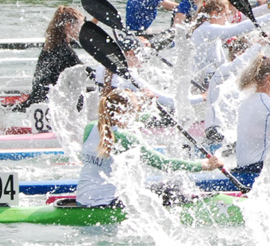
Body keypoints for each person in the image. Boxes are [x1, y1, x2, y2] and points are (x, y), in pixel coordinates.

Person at [75, 87, 219, 207]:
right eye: (135, 110)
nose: (137, 114)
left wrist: (146, 106)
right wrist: (203, 165)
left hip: (82, 199)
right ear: (126, 112)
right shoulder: (124, 138)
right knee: (172, 188)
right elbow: (164, 163)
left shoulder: (90, 128)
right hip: (108, 202)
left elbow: (128, 121)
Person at [20, 6, 84, 108]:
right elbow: (86, 71)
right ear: (68, 25)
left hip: (36, 102)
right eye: (80, 26)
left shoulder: (50, 46)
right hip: (48, 105)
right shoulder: (65, 51)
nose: (81, 30)